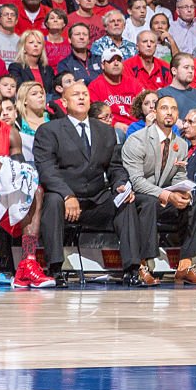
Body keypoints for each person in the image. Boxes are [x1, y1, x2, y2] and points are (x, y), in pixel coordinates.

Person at [34, 82, 145, 287]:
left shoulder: (105, 131)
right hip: (65, 197)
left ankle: (132, 269)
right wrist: (68, 195)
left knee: (126, 201)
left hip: (96, 198)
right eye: (75, 94)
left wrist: (121, 184)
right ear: (64, 102)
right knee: (52, 200)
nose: (82, 97)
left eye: (84, 94)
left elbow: (115, 167)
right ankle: (55, 268)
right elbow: (47, 170)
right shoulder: (49, 130)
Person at [115, 95, 196, 285]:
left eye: (174, 109)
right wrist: (166, 194)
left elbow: (178, 175)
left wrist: (182, 191)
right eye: (164, 108)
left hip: (164, 196)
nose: (169, 112)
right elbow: (135, 180)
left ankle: (185, 265)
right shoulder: (137, 140)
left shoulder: (181, 144)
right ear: (155, 112)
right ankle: (142, 265)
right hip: (139, 196)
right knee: (149, 202)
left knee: (193, 202)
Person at [0, 85, 53, 288]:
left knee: (35, 191)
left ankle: (27, 264)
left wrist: (14, 172)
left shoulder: (11, 133)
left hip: (0, 197)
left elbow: (22, 172)